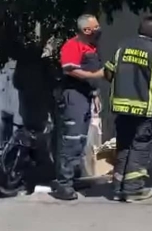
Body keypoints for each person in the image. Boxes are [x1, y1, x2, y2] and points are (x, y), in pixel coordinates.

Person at [104, 16, 152, 202]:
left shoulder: (122, 46)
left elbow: (108, 72)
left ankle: (118, 188)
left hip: (122, 107)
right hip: (146, 109)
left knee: (124, 146)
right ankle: (133, 189)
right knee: (140, 147)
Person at [53, 14, 104, 201]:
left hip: (86, 96)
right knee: (71, 138)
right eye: (96, 26)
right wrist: (94, 76)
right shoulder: (72, 45)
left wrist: (95, 93)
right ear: (86, 30)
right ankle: (63, 184)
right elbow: (69, 69)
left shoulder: (91, 46)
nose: (99, 29)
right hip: (73, 96)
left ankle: (73, 177)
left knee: (81, 139)